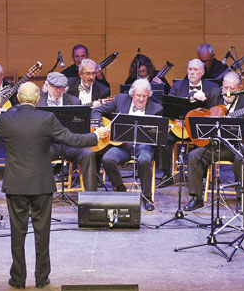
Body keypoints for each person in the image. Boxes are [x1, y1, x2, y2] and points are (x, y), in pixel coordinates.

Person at [0, 82, 105, 288]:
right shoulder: (47, 119)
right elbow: (72, 139)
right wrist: (96, 136)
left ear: (19, 99)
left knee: (18, 233)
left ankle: (18, 279)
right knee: (43, 234)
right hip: (42, 184)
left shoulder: (6, 119)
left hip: (16, 185)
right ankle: (42, 278)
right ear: (37, 99)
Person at [184, 72, 244, 211]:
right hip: (215, 145)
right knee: (194, 155)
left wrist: (232, 124)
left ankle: (241, 198)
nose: (228, 92)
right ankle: (197, 198)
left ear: (240, 88)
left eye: (232, 89)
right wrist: (194, 95)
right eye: (225, 88)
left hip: (237, 147)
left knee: (241, 160)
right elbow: (192, 100)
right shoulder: (214, 94)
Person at [93, 79, 163, 211]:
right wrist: (101, 126)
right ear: (132, 94)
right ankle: (120, 188)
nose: (141, 99)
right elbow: (97, 111)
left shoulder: (157, 108)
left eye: (145, 96)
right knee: (108, 159)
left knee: (144, 160)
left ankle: (147, 197)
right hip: (122, 145)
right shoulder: (120, 100)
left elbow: (159, 136)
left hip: (143, 146)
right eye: (138, 96)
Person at [162, 58, 222, 187]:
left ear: (202, 72)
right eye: (190, 69)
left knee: (203, 142)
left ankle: (200, 176)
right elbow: (168, 106)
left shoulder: (213, 88)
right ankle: (167, 175)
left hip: (199, 128)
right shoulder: (178, 86)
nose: (192, 72)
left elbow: (215, 110)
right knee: (164, 138)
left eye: (195, 70)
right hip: (180, 127)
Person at [38, 72, 99, 191]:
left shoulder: (74, 101)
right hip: (48, 144)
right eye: (56, 87)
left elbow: (81, 127)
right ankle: (42, 194)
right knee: (36, 153)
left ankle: (92, 197)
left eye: (62, 88)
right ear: (47, 85)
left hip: (70, 143)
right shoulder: (38, 100)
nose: (59, 91)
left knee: (88, 153)